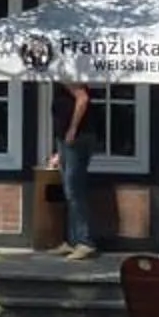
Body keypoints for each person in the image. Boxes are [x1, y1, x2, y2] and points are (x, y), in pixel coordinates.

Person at [53, 82, 100, 260]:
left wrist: (73, 129)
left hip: (77, 139)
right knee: (69, 190)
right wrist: (60, 152)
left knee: (74, 189)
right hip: (67, 140)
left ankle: (85, 242)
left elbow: (83, 99)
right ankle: (73, 241)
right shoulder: (59, 76)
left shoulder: (67, 74)